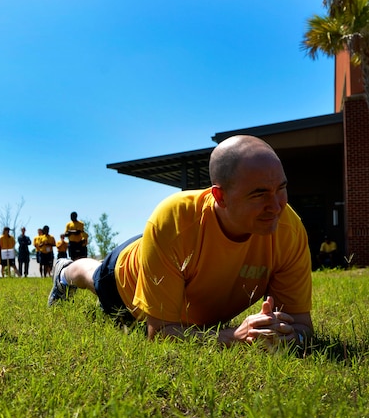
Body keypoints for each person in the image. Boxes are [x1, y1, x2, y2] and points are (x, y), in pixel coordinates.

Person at [48, 135, 313, 348]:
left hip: (176, 246)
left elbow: (301, 325)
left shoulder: (288, 230)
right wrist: (233, 337)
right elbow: (161, 334)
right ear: (219, 197)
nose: (276, 205)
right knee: (90, 274)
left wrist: (288, 336)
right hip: (126, 276)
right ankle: (63, 271)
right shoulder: (173, 220)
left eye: (281, 188)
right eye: (259, 194)